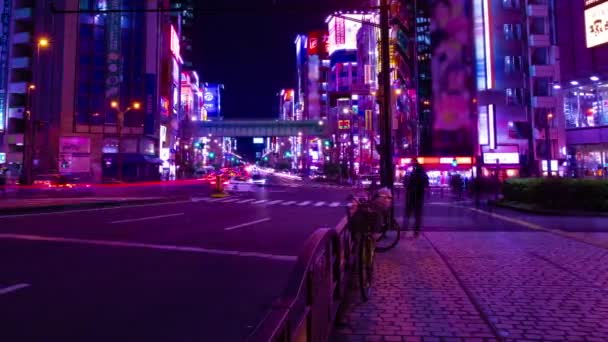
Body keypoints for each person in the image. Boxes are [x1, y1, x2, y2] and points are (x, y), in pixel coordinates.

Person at [404, 159, 429, 237]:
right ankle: (415, 232)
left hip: (414, 195)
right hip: (417, 196)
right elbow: (426, 183)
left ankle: (407, 230)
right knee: (416, 215)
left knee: (410, 214)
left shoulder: (414, 172)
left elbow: (407, 183)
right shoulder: (420, 171)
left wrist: (409, 185)